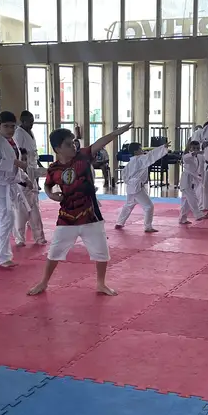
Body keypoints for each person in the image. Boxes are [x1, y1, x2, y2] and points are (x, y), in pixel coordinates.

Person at [28, 123, 134, 296]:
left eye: (73, 142)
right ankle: (43, 282)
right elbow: (48, 185)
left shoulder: (83, 156)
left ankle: (101, 284)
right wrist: (50, 195)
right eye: (68, 144)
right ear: (58, 148)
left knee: (101, 252)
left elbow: (100, 142)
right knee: (54, 251)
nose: (73, 146)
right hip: (67, 216)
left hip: (90, 214)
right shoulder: (53, 169)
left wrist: (117, 132)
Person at [0, 111, 30, 268]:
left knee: (1, 219)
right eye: (6, 126)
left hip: (8, 184)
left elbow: (16, 165)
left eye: (12, 126)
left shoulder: (11, 141)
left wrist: (25, 178)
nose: (10, 129)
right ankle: (3, 257)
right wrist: (15, 163)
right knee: (6, 219)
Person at [115, 141, 171, 233]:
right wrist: (163, 147)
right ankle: (148, 227)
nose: (142, 150)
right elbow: (152, 156)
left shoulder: (130, 162)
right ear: (136, 151)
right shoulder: (140, 159)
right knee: (149, 206)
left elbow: (124, 175)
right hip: (137, 187)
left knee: (129, 205)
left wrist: (129, 182)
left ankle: (119, 222)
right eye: (140, 149)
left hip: (131, 186)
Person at [13, 110, 47, 246]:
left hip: (32, 170)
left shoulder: (30, 132)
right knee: (20, 215)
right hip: (21, 182)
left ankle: (39, 237)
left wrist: (40, 165)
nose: (31, 124)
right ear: (22, 121)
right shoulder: (18, 133)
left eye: (33, 122)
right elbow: (19, 152)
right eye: (29, 122)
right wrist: (23, 166)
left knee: (35, 210)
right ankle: (19, 239)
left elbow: (33, 153)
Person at [179, 140, 205, 224]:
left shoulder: (197, 158)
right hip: (186, 181)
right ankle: (198, 215)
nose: (195, 150)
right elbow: (188, 156)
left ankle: (182, 218)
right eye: (194, 148)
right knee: (193, 198)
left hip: (191, 181)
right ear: (190, 148)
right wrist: (197, 152)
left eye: (197, 148)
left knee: (186, 202)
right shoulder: (187, 156)